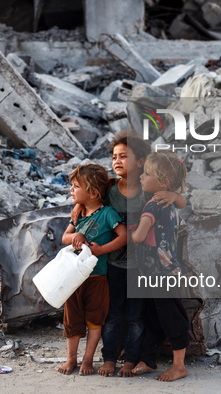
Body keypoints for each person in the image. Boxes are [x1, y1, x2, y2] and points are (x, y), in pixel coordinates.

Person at [72, 131, 186, 378]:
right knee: (112, 312)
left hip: (141, 267)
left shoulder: (150, 191)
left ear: (142, 162)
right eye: (114, 156)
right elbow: (89, 199)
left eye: (124, 156)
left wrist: (176, 196)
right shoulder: (109, 188)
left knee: (139, 314)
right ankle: (111, 357)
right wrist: (80, 205)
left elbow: (180, 203)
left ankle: (134, 357)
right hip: (112, 264)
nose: (117, 161)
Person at [59, 164, 127, 376]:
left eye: (76, 186)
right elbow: (64, 238)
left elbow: (124, 236)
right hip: (74, 279)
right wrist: (75, 236)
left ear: (93, 193)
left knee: (95, 321)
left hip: (98, 278)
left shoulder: (107, 214)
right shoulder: (77, 214)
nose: (71, 189)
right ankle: (71, 359)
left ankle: (87, 360)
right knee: (72, 321)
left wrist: (101, 250)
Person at [131, 151, 190, 382]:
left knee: (171, 317)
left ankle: (179, 366)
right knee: (155, 317)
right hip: (159, 272)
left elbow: (139, 237)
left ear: (163, 182)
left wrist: (131, 232)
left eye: (146, 174)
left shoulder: (153, 207)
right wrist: (175, 195)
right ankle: (149, 359)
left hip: (160, 273)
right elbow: (183, 201)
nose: (142, 177)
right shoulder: (168, 202)